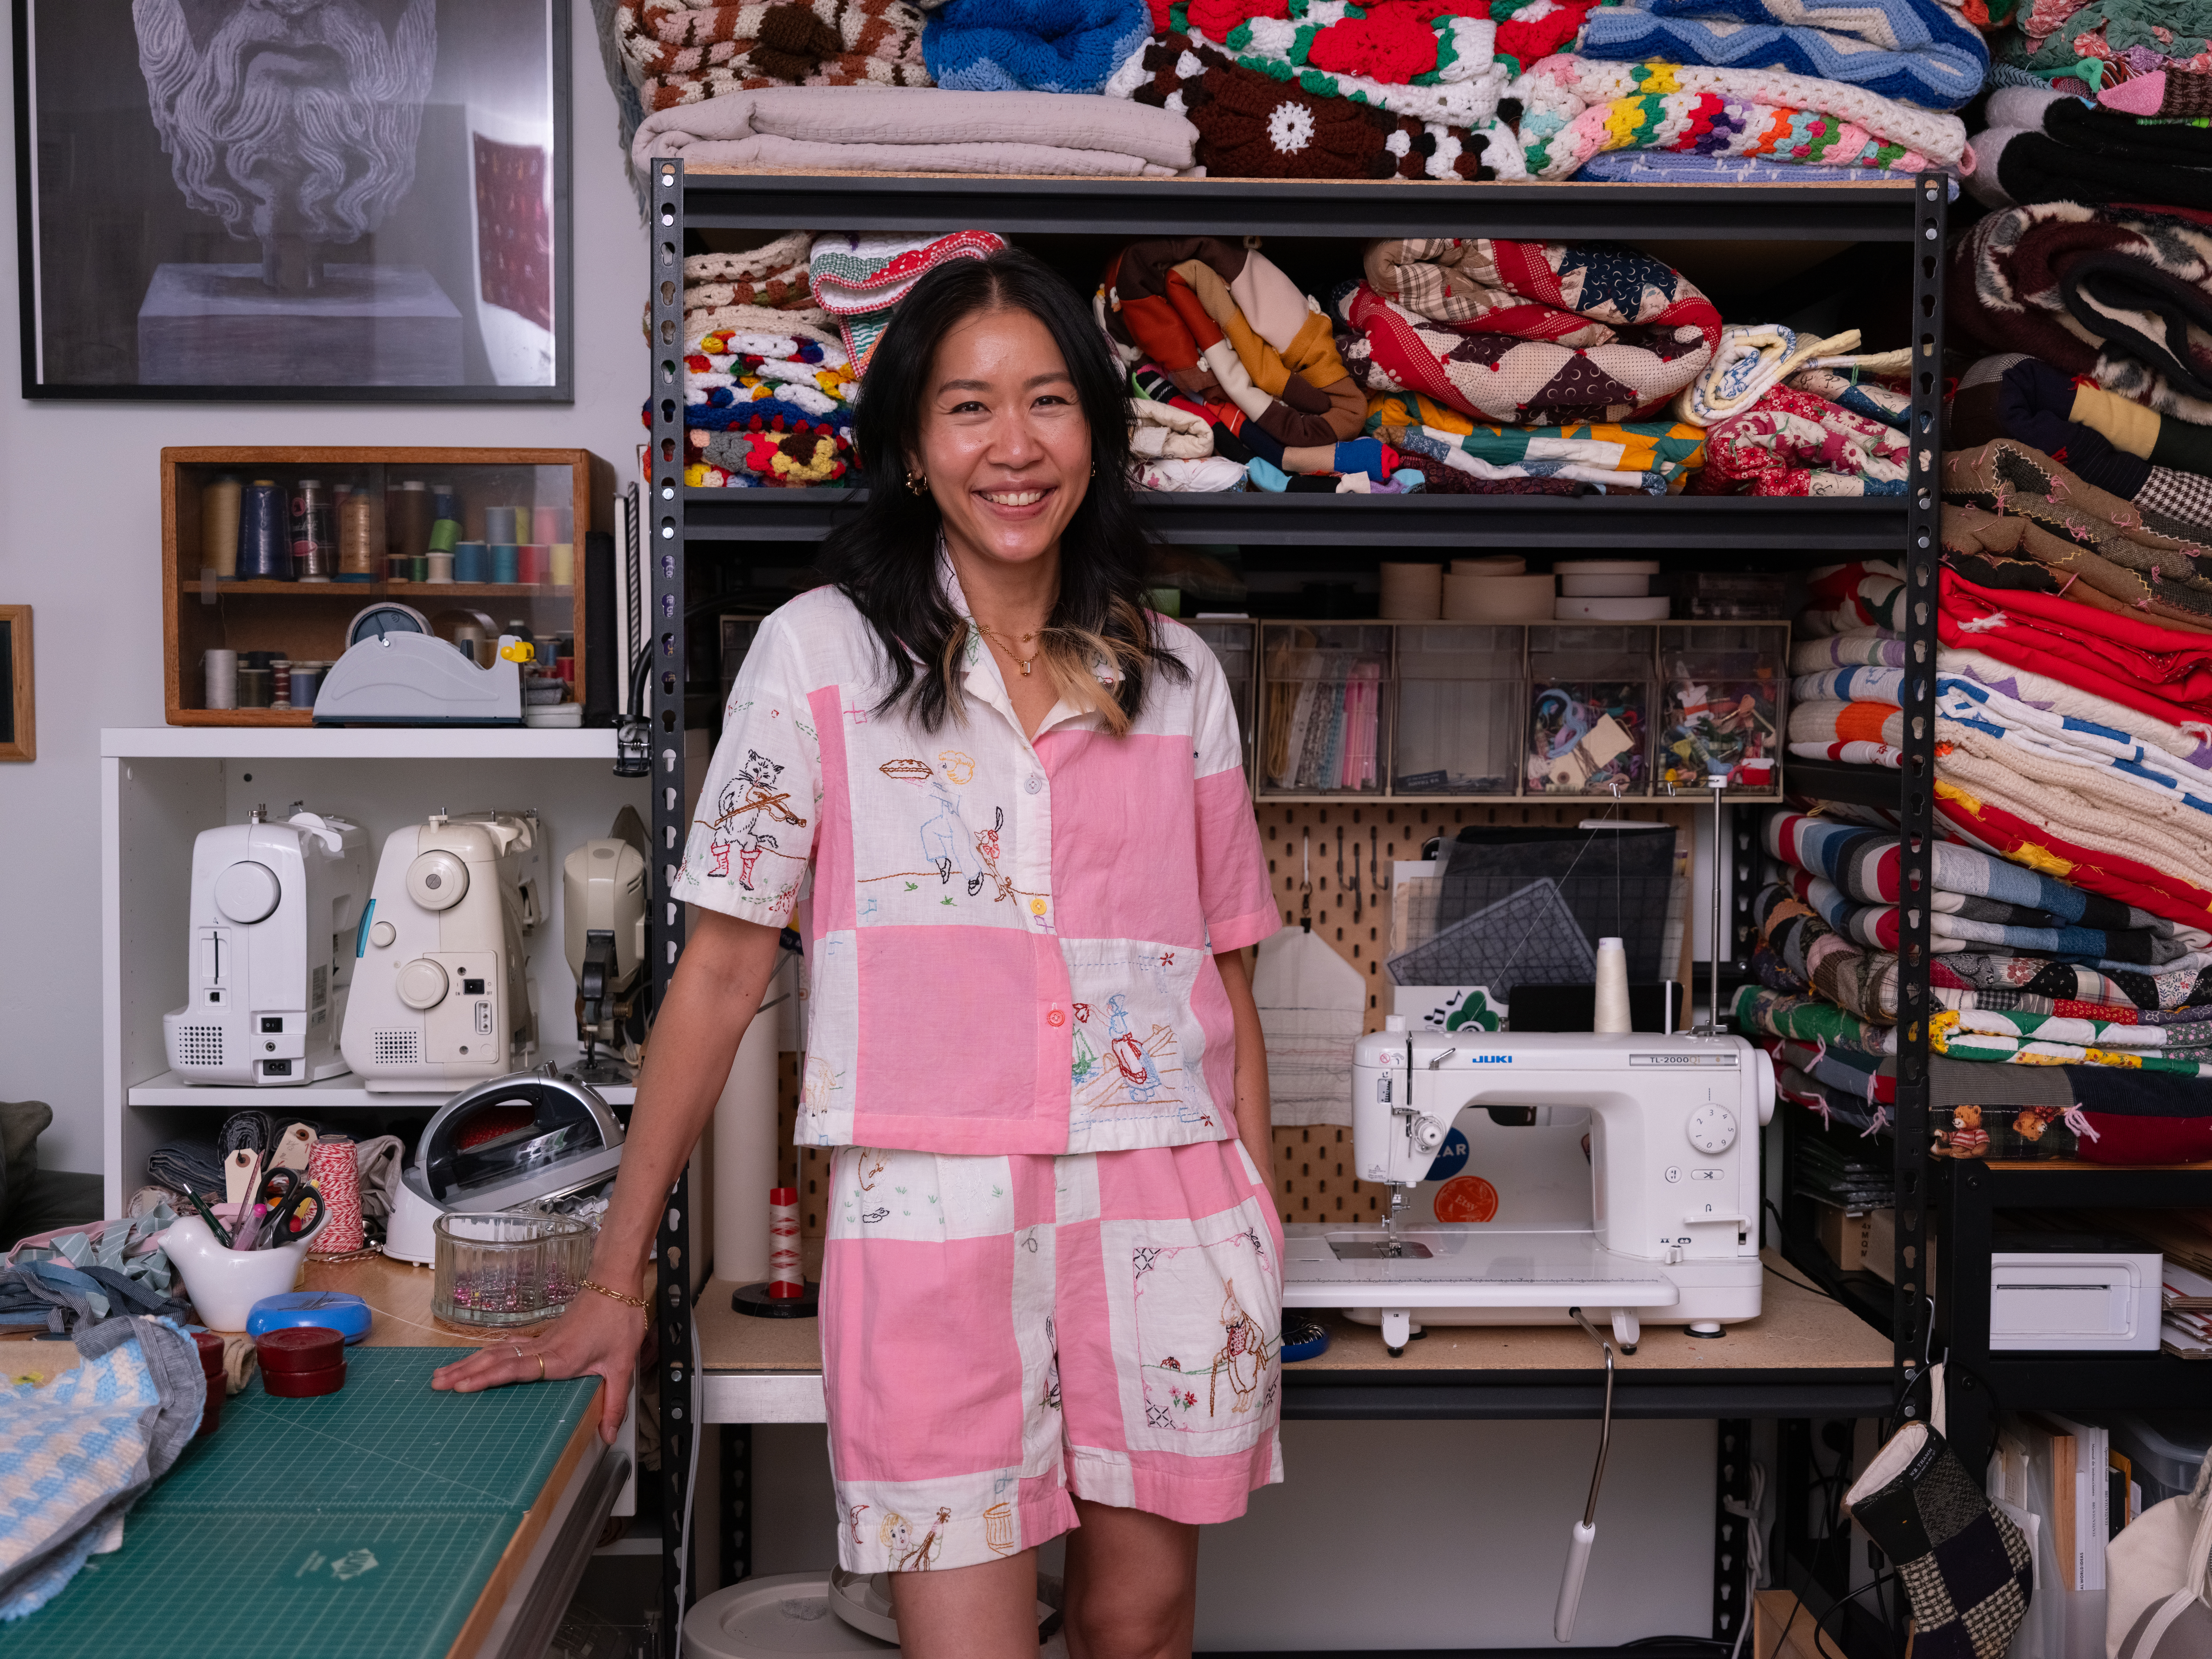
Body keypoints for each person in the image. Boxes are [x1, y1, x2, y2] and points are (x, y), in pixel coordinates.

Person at [433, 246, 1284, 1658]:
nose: (1014, 448)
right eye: (968, 408)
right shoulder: (817, 659)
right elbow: (717, 975)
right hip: (928, 1206)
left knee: (1140, 1630)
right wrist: (615, 1280)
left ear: (1097, 433)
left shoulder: (1176, 675)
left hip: (1166, 1196)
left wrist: (1254, 1236)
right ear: (906, 445)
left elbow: (1231, 975)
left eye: (1050, 403)